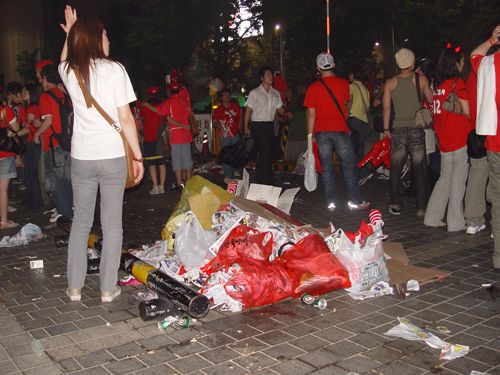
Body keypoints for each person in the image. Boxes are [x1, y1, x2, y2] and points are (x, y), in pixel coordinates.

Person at [58, 6, 144, 302]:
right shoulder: (114, 70)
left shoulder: (69, 71)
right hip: (111, 158)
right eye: (105, 35)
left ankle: (74, 287)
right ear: (95, 39)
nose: (109, 39)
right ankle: (108, 288)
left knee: (80, 222)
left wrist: (70, 34)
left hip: (81, 158)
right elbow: (126, 119)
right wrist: (137, 156)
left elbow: (63, 59)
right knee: (111, 224)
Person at [303, 52, 370, 211]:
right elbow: (346, 104)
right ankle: (354, 200)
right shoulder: (343, 83)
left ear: (318, 68)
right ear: (333, 66)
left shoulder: (313, 88)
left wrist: (310, 136)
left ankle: (331, 202)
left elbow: (311, 114)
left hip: (322, 131)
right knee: (348, 167)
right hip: (340, 129)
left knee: (326, 168)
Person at [423, 47, 471, 231]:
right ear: (455, 63)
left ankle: (432, 217)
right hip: (459, 138)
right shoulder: (458, 83)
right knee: (458, 181)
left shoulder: (438, 86)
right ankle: (456, 223)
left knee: (445, 179)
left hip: (444, 140)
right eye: (462, 60)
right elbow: (467, 111)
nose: (464, 63)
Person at [383, 48, 433, 215]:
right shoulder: (420, 79)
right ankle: (421, 207)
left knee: (396, 169)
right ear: (412, 62)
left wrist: (386, 130)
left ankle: (395, 203)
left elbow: (386, 108)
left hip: (397, 129)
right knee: (419, 169)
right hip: (416, 129)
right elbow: (431, 98)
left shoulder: (390, 83)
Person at [471, 25, 500, 272]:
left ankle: (499, 258)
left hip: (497, 143)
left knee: (498, 202)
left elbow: (474, 55)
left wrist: (492, 37)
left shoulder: (490, 65)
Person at [34, 64, 74, 223]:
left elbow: (48, 121)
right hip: (67, 142)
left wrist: (37, 134)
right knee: (67, 180)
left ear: (44, 78)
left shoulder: (45, 96)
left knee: (54, 181)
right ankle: (69, 209)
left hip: (52, 144)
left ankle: (64, 214)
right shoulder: (64, 94)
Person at [243, 66, 292, 185]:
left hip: (270, 125)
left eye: (271, 75)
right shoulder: (255, 93)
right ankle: (263, 179)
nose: (270, 77)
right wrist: (245, 127)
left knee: (269, 153)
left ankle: (265, 178)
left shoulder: (275, 93)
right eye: (268, 75)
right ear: (261, 77)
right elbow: (248, 111)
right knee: (266, 150)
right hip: (258, 125)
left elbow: (279, 108)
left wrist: (286, 113)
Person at [146, 81, 193, 191]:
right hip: (186, 134)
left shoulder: (168, 102)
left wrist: (147, 104)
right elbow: (190, 114)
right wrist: (185, 125)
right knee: (187, 159)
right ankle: (189, 183)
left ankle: (179, 184)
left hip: (176, 135)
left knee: (177, 160)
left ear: (168, 91)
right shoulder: (184, 101)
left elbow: (159, 111)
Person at [346, 64, 373, 185]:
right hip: (363, 121)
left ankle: (363, 172)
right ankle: (360, 174)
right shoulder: (365, 89)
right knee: (360, 148)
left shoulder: (351, 87)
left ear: (353, 75)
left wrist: (345, 115)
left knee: (351, 148)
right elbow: (368, 106)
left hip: (353, 120)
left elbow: (349, 101)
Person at [19, 83, 44, 210]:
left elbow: (28, 128)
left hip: (31, 143)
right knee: (30, 174)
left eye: (25, 92)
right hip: (32, 143)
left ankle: (36, 204)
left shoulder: (32, 108)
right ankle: (33, 202)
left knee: (31, 174)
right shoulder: (30, 107)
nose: (22, 94)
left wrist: (15, 134)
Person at [140, 87, 167, 195]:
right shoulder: (161, 107)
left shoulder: (145, 107)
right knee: (162, 164)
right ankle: (162, 186)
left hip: (149, 139)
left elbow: (142, 118)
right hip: (160, 139)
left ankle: (155, 187)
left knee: (151, 165)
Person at [0, 94, 20, 228]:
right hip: (5, 153)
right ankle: (4, 220)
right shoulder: (5, 109)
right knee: (3, 189)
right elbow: (16, 128)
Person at [212, 87, 241, 181]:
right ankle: (227, 173)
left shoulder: (235, 107)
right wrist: (218, 126)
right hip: (224, 135)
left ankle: (235, 168)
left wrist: (240, 129)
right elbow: (214, 122)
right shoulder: (218, 110)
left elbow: (239, 119)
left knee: (235, 154)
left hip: (235, 134)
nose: (226, 97)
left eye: (228, 95)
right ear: (221, 98)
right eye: (224, 95)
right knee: (226, 155)